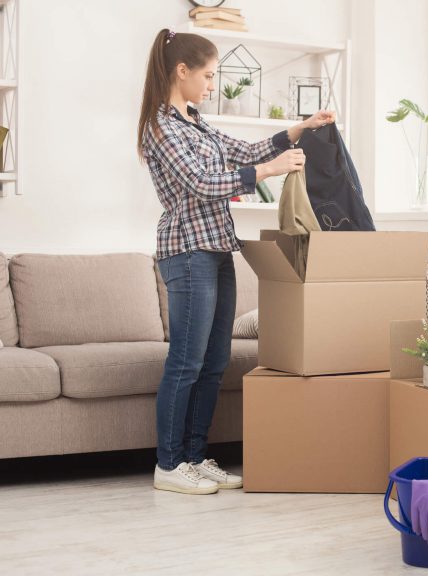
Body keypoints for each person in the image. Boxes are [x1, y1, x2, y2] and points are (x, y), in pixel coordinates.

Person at [137, 28, 335, 494]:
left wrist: (300, 129)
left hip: (216, 246)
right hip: (187, 250)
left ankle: (194, 455)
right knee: (186, 359)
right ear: (181, 71)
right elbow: (205, 182)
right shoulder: (160, 127)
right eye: (207, 75)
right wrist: (271, 170)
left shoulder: (197, 121)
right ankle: (168, 465)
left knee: (214, 359)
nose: (211, 84)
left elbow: (242, 152)